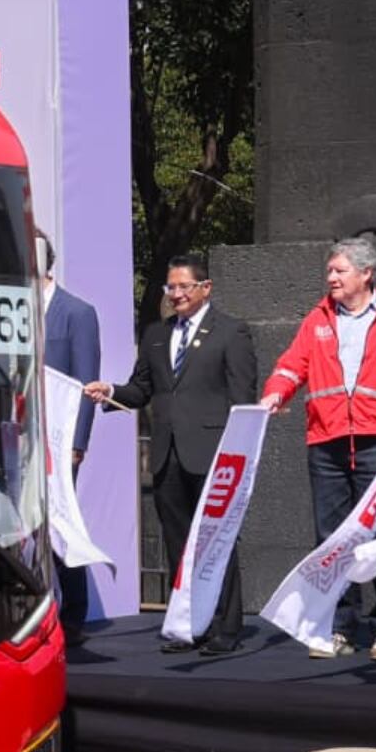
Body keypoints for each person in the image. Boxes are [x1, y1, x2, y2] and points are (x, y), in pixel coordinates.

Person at [259, 240, 376, 661]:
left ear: (366, 273)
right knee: (332, 539)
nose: (332, 278)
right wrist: (274, 394)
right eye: (330, 272)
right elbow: (291, 366)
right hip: (327, 441)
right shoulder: (318, 319)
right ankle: (339, 626)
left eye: (340, 271)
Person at [86, 253, 258, 654]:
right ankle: (188, 624)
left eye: (184, 287)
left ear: (205, 288)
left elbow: (242, 398)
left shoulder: (231, 332)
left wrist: (238, 453)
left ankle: (226, 626)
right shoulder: (156, 335)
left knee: (217, 540)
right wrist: (109, 392)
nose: (176, 295)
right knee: (179, 544)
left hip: (214, 454)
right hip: (168, 454)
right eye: (171, 287)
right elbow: (140, 388)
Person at [39, 232, 103, 647]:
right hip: (19, 441)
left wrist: (78, 442)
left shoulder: (76, 312)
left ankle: (74, 613)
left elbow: (86, 380)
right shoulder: (10, 309)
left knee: (61, 524)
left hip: (59, 440)